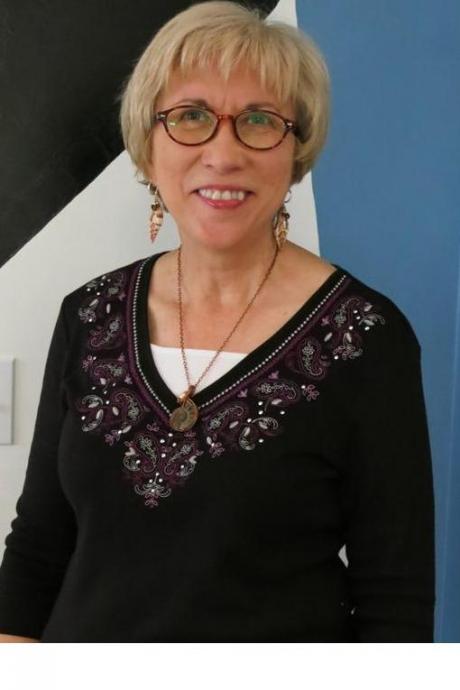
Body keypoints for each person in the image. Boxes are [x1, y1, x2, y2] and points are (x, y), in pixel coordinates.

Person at [0, 1, 435, 642]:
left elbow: (395, 600)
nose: (222, 154)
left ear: (296, 151)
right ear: (148, 145)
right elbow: (39, 545)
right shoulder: (89, 314)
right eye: (191, 117)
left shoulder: (367, 337)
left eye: (259, 120)